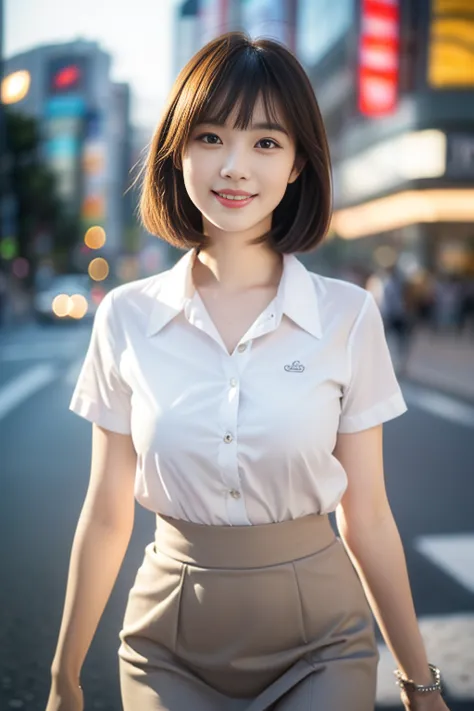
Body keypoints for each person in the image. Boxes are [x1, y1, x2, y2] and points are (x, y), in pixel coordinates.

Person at [45, 32, 450, 711]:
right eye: (210, 137)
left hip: (322, 639)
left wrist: (419, 680)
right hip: (164, 641)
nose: (234, 166)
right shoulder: (124, 316)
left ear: (297, 165)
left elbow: (369, 515)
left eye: (265, 142)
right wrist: (63, 676)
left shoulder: (348, 316)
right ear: (177, 152)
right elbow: (108, 512)